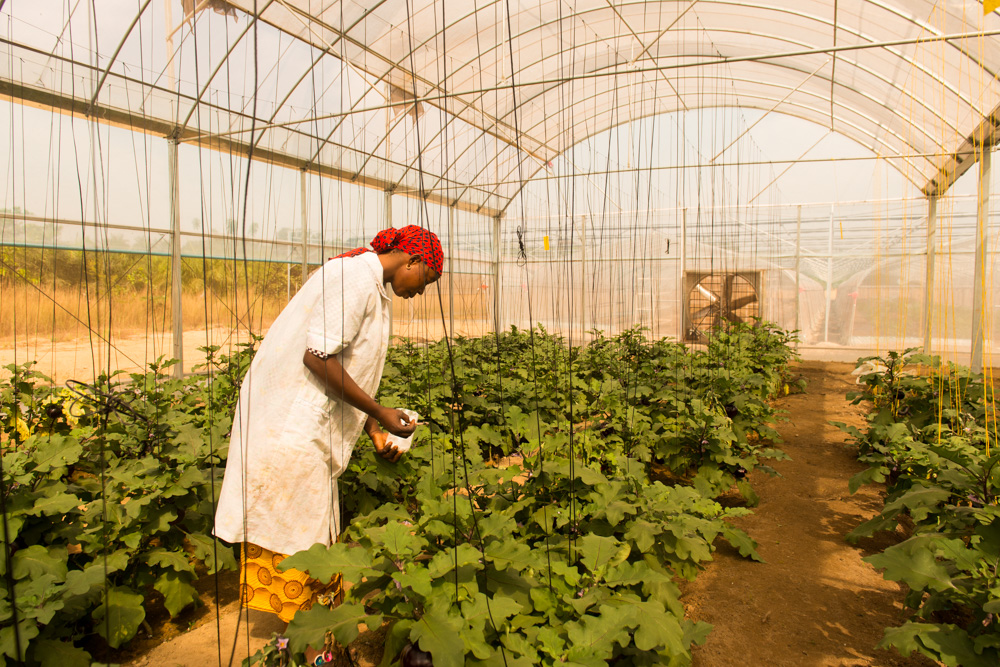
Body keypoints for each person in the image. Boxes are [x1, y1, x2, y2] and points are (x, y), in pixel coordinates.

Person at [214, 225, 443, 625]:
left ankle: (311, 637)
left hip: (305, 429)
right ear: (413, 260)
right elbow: (317, 358)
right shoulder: (353, 278)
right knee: (300, 538)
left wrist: (374, 426)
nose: (421, 292)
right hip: (292, 428)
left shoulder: (370, 284)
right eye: (426, 280)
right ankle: (308, 640)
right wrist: (381, 410)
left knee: (309, 534)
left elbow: (353, 363)